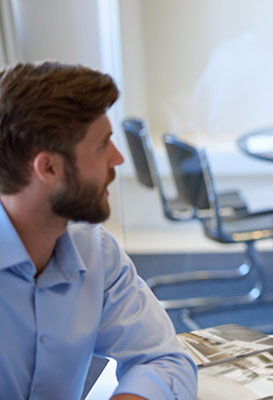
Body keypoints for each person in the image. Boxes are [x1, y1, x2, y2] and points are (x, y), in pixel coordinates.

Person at [0, 62, 197, 399]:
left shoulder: (95, 252)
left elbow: (164, 359)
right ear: (48, 167)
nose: (118, 159)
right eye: (103, 144)